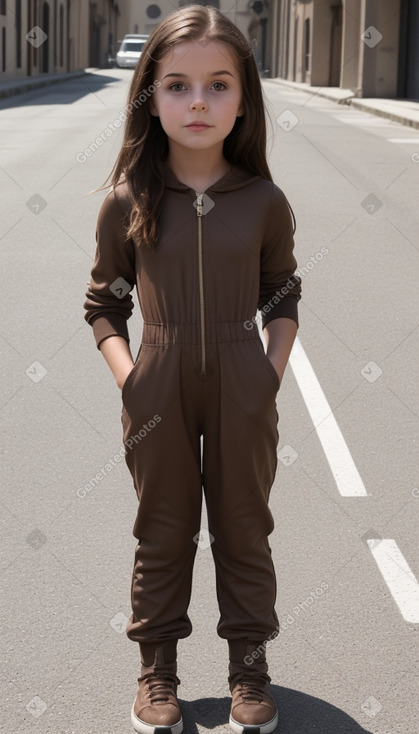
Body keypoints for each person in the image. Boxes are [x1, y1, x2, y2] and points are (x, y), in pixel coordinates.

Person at [83, 5, 302, 734]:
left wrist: (267, 373)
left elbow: (282, 291)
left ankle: (248, 670)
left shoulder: (264, 200)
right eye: (176, 86)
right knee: (163, 530)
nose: (198, 102)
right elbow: (103, 305)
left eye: (218, 85)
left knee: (244, 527)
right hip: (158, 378)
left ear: (244, 98)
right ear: (150, 95)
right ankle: (157, 674)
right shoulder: (126, 202)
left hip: (243, 379)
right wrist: (130, 375)